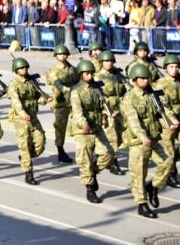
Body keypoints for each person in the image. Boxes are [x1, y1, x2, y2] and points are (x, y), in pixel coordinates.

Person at [122, 64, 178, 218]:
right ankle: (142, 204)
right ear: (135, 80)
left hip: (153, 137)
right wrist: (142, 136)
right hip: (138, 141)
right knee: (139, 174)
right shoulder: (129, 98)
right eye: (142, 78)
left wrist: (172, 120)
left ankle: (153, 187)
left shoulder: (152, 93)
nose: (146, 81)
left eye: (147, 78)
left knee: (168, 161)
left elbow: (164, 108)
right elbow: (133, 121)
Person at [70, 60, 115, 203]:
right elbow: (77, 110)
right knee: (85, 160)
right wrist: (83, 123)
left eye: (91, 73)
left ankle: (92, 172)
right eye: (87, 73)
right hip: (82, 130)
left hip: (96, 127)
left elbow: (102, 104)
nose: (90, 76)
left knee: (108, 154)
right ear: (81, 75)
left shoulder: (96, 88)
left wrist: (108, 113)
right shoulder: (76, 91)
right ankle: (89, 188)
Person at [8, 57, 49, 185]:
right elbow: (15, 101)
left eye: (25, 67)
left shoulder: (32, 82)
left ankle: (25, 157)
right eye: (21, 68)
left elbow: (37, 98)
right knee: (25, 145)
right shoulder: (14, 84)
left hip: (33, 116)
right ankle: (28, 173)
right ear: (16, 70)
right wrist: (22, 113)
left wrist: (45, 100)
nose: (24, 69)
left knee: (40, 143)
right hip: (21, 119)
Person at [95, 51, 127, 175]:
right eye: (106, 61)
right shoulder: (98, 77)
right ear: (102, 62)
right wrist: (104, 112)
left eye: (111, 61)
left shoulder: (118, 75)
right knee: (112, 138)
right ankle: (114, 163)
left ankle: (103, 156)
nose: (109, 63)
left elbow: (124, 91)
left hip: (119, 110)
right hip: (108, 111)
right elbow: (97, 97)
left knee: (121, 137)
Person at [45, 44, 78, 163]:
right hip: (60, 102)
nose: (63, 56)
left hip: (73, 101)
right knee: (60, 127)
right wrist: (64, 88)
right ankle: (60, 150)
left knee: (79, 124)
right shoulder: (53, 71)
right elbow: (55, 82)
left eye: (65, 54)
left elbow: (78, 82)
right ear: (56, 56)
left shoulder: (73, 69)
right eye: (60, 54)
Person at [158, 54, 180, 188]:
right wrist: (172, 119)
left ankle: (172, 163)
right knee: (168, 150)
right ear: (166, 68)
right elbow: (162, 105)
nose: (174, 69)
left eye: (176, 66)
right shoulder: (161, 84)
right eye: (171, 67)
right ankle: (171, 175)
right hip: (168, 122)